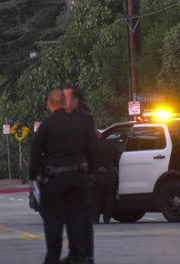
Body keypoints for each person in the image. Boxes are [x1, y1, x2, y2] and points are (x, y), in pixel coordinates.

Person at [29, 89, 97, 264]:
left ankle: (53, 257)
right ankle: (78, 255)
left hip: (54, 179)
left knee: (53, 221)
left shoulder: (46, 125)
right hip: (78, 177)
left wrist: (33, 177)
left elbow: (35, 154)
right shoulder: (81, 123)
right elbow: (92, 148)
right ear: (63, 103)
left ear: (49, 104)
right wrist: (91, 172)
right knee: (77, 218)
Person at [61, 86, 97, 264]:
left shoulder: (82, 119)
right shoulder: (81, 117)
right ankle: (82, 254)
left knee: (77, 217)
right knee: (79, 217)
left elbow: (91, 147)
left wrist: (91, 170)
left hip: (78, 173)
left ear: (76, 100)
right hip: (78, 173)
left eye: (67, 98)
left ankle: (81, 254)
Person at [92, 131, 120, 224]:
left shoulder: (93, 146)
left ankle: (95, 219)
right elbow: (117, 158)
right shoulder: (111, 144)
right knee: (109, 198)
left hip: (99, 175)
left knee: (97, 198)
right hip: (111, 175)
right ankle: (106, 219)